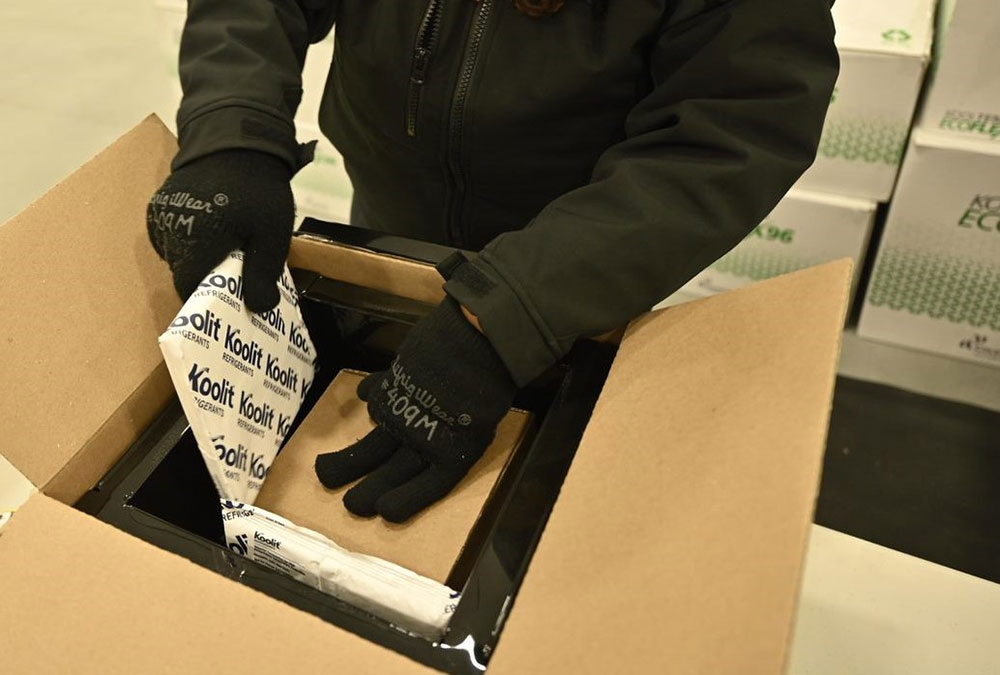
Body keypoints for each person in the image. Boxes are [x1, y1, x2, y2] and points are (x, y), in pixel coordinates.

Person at [147, 0, 838, 522]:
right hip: (390, 201)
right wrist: (233, 132)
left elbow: (731, 123)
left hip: (581, 246)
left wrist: (514, 311)